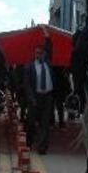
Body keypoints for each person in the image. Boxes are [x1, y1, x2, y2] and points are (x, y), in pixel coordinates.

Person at [23, 26, 54, 154]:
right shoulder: (29, 67)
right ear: (34, 54)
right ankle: (29, 143)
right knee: (31, 123)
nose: (39, 55)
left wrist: (47, 36)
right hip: (35, 98)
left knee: (45, 124)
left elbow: (49, 48)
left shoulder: (48, 62)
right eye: (37, 53)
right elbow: (27, 84)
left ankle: (42, 147)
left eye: (41, 53)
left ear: (44, 54)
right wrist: (31, 99)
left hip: (47, 97)